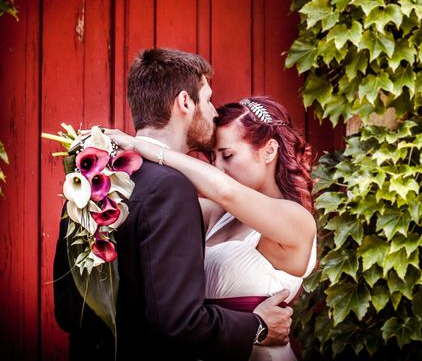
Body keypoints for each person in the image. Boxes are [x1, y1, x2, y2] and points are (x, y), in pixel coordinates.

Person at [53, 48, 292, 360]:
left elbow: (68, 312)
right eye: (207, 99)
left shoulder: (90, 182)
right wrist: (256, 326)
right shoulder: (170, 188)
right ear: (184, 102)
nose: (213, 112)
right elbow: (180, 326)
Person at [104, 95, 317, 361]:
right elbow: (156, 200)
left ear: (270, 151)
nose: (217, 167)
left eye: (227, 155)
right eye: (212, 157)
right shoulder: (218, 213)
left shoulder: (296, 219)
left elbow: (224, 190)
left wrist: (141, 146)